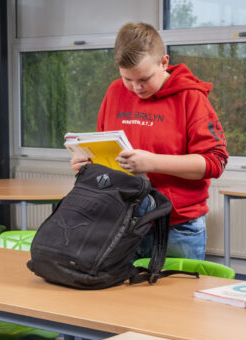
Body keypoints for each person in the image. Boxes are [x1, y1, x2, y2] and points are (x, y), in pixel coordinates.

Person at [71, 22, 228, 260]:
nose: (136, 88)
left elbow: (215, 162)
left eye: (144, 79)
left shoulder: (191, 97)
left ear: (164, 62)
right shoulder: (115, 92)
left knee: (174, 298)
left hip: (176, 227)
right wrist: (88, 165)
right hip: (122, 222)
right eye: (127, 79)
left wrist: (152, 162)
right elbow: (107, 152)